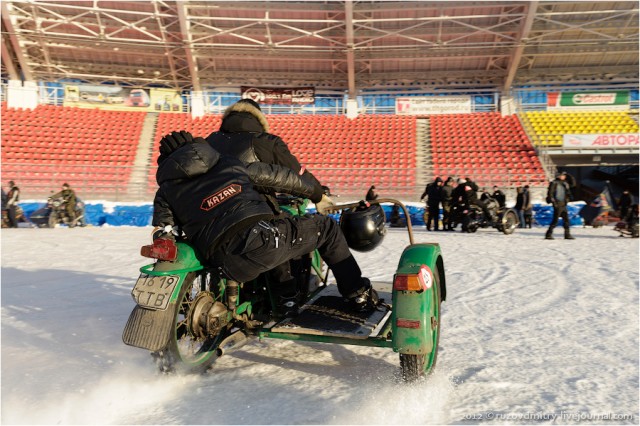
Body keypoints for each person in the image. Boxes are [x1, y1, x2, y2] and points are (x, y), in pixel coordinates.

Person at [152, 135, 379, 313]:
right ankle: (357, 293)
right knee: (325, 227)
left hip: (224, 263)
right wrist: (316, 194)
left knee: (275, 231)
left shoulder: (166, 191)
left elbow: (164, 231)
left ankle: (285, 298)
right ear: (197, 147)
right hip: (262, 242)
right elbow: (281, 177)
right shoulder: (228, 164)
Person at [203, 99, 329, 307]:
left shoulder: (208, 141)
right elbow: (297, 175)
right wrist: (319, 195)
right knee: (283, 229)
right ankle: (285, 294)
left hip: (209, 215)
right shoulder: (265, 141)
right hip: (250, 214)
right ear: (259, 120)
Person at [545, 172, 574, 240]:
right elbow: (550, 193)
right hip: (558, 203)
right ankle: (549, 234)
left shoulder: (565, 183)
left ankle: (567, 234)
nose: (564, 177)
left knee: (566, 220)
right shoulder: (554, 183)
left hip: (563, 203)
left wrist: (569, 175)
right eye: (562, 175)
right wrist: (554, 203)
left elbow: (573, 184)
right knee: (555, 220)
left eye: (564, 176)